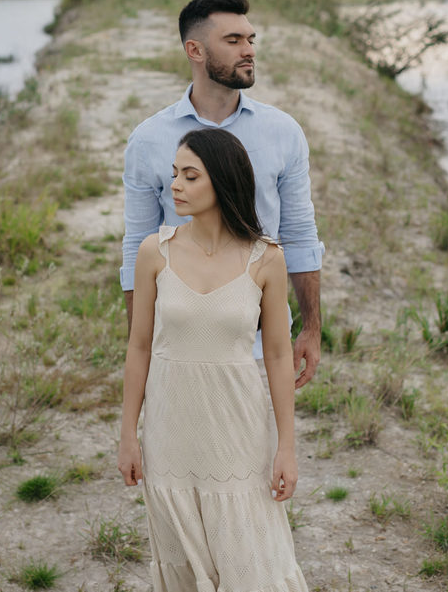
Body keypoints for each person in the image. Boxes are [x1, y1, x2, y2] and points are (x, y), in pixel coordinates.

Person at [119, 128, 309, 591]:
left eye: (190, 176)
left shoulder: (266, 259)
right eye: (174, 175)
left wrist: (286, 445)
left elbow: (280, 354)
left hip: (236, 428)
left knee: (250, 558)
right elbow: (139, 346)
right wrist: (128, 433)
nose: (175, 186)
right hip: (170, 429)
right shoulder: (154, 252)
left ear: (221, 181)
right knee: (183, 561)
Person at [121, 0, 324, 390]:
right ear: (194, 50)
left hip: (264, 342)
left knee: (262, 449)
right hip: (180, 342)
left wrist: (312, 329)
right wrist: (139, 345)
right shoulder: (149, 140)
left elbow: (300, 235)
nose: (248, 51)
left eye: (251, 39)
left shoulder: (283, 132)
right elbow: (138, 247)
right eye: (233, 41)